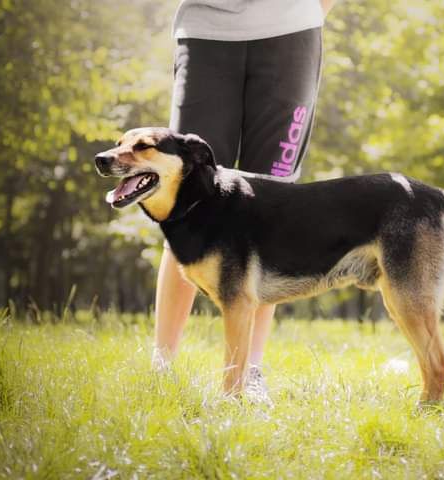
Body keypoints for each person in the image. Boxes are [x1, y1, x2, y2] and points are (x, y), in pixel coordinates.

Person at [152, 0, 336, 401]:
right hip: (206, 34)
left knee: (270, 214)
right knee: (185, 197)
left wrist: (305, 12)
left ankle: (249, 371)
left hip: (292, 35)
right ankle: (161, 367)